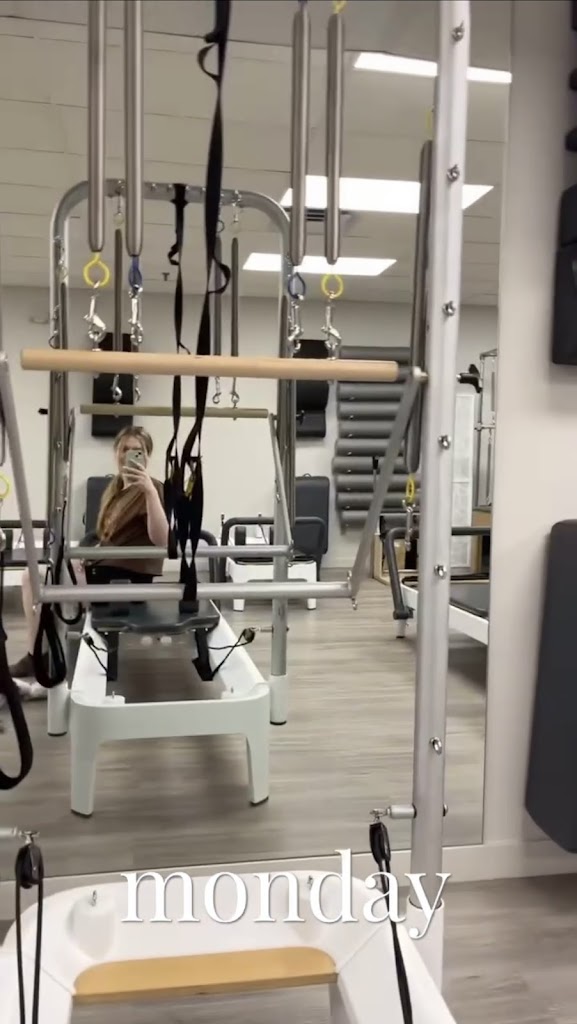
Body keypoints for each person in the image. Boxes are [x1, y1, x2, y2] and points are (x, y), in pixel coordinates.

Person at [8, 425, 169, 695]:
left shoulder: (153, 489)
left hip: (127, 577)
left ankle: (45, 663)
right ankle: (41, 656)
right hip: (103, 567)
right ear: (116, 452)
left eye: (137, 450)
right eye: (124, 449)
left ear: (147, 456)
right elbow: (106, 536)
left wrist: (150, 493)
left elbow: (161, 539)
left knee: (43, 582)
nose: (129, 455)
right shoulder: (114, 488)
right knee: (35, 579)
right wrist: (88, 556)